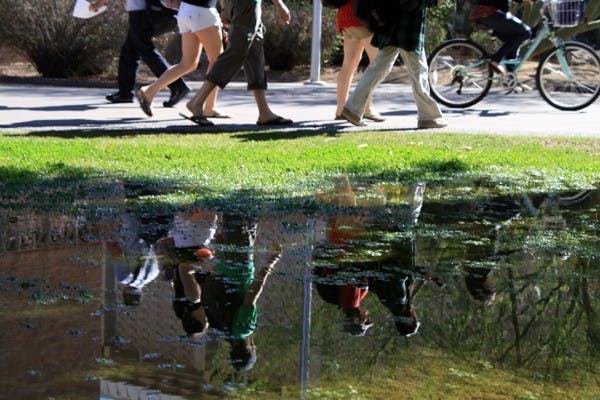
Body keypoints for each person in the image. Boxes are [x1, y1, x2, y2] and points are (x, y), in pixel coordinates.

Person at [182, 0, 293, 126]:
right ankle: (197, 101)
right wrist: (279, 4)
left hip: (246, 7)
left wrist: (224, 8)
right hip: (246, 6)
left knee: (255, 56)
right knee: (234, 54)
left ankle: (264, 112)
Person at [340, 0, 446, 129]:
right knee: (419, 72)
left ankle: (352, 109)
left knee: (378, 69)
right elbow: (410, 3)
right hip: (405, 29)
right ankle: (428, 117)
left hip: (392, 28)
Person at [135, 0, 229, 118]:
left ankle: (149, 91)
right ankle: (209, 107)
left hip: (186, 10)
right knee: (217, 62)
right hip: (203, 11)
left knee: (188, 63)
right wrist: (226, 11)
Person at [90, 0, 191, 107]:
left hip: (142, 12)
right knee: (130, 51)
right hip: (146, 11)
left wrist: (98, 4)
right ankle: (125, 93)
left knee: (145, 50)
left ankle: (177, 85)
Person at [332, 1, 383, 122]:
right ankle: (367, 108)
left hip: (346, 17)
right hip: (364, 17)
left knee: (348, 64)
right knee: (378, 64)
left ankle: (341, 108)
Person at [469, 0, 533, 76]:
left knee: (513, 42)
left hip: (485, 13)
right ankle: (495, 59)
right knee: (526, 32)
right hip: (490, 12)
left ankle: (509, 77)